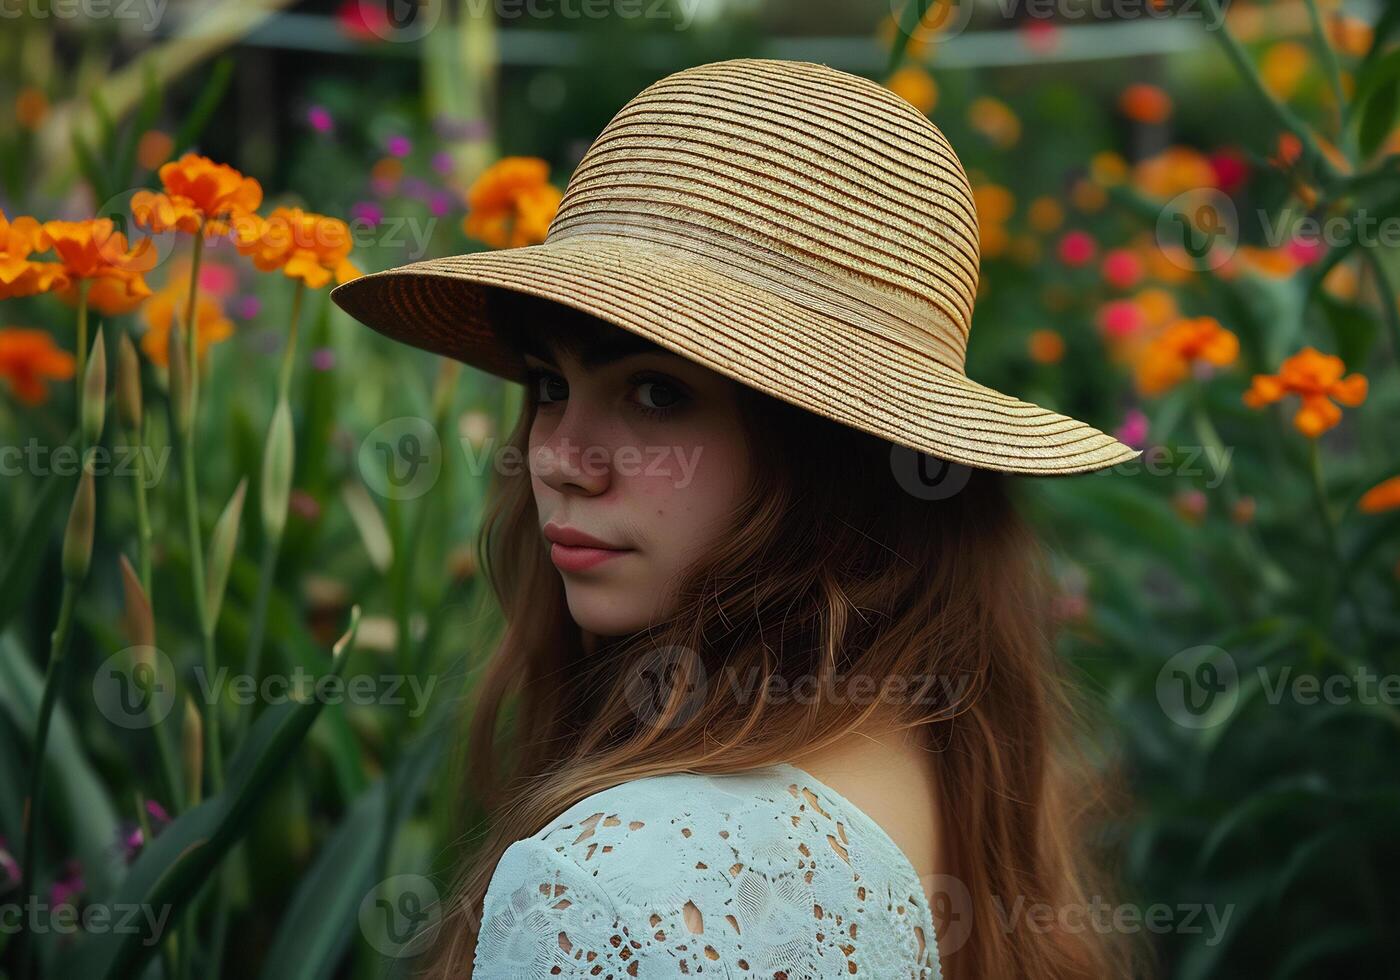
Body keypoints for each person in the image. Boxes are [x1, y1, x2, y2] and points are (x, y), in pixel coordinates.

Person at [332, 57, 1141, 980]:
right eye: (552, 383)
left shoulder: (630, 891)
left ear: (835, 447)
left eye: (654, 392)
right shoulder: (937, 756)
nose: (557, 457)